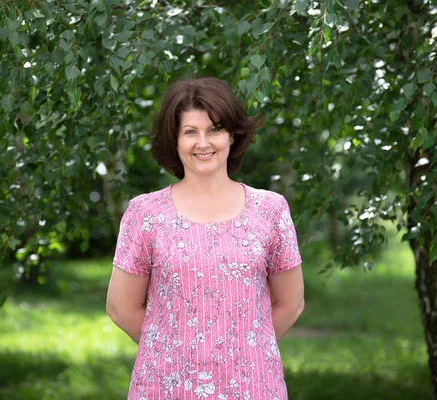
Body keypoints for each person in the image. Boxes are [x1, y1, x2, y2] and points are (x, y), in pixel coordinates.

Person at [106, 77, 305, 400]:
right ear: (175, 140)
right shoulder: (146, 214)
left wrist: (244, 351)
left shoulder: (269, 210)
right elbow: (120, 307)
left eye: (214, 129)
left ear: (232, 135)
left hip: (253, 386)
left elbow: (291, 303)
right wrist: (176, 356)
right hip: (166, 387)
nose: (203, 142)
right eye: (190, 132)